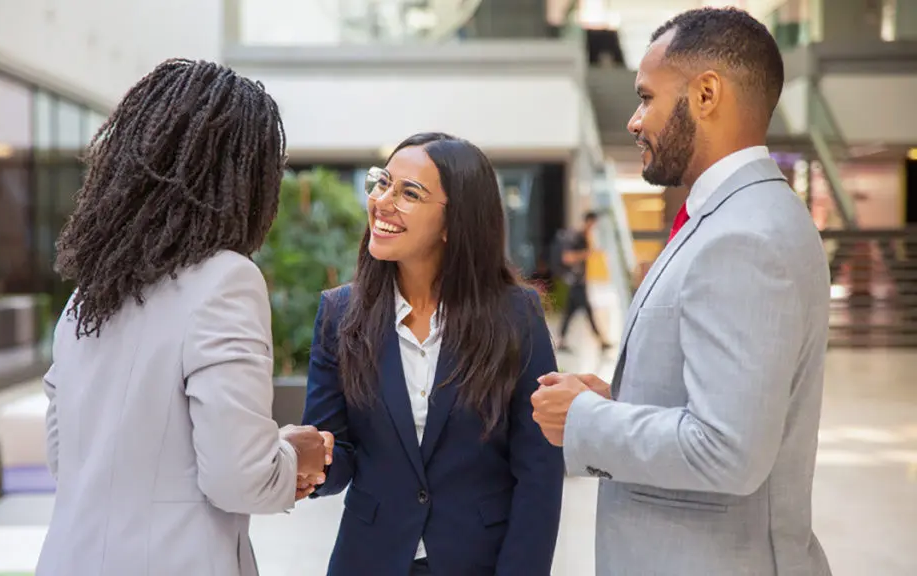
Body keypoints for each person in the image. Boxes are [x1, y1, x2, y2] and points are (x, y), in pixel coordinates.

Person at [530, 8, 832, 576]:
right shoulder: (739, 216)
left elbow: (728, 450)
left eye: (647, 97)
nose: (634, 121)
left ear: (707, 93)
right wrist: (618, 402)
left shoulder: (743, 235)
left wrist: (585, 419)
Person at [36, 59, 332, 576]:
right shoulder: (226, 280)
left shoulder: (87, 295)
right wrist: (294, 456)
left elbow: (66, 459)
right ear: (245, 178)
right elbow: (238, 477)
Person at [300, 133, 565, 576]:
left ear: (453, 222)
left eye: (409, 193)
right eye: (382, 183)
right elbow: (337, 452)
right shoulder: (339, 314)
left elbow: (539, 471)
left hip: (479, 560)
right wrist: (310, 463)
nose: (383, 201)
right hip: (369, 559)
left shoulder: (516, 316)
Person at [551, 211, 611, 351]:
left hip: (578, 282)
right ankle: (601, 340)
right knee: (586, 311)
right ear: (589, 221)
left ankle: (561, 340)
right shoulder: (576, 237)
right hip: (576, 281)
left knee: (570, 313)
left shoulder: (583, 237)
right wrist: (586, 253)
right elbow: (567, 257)